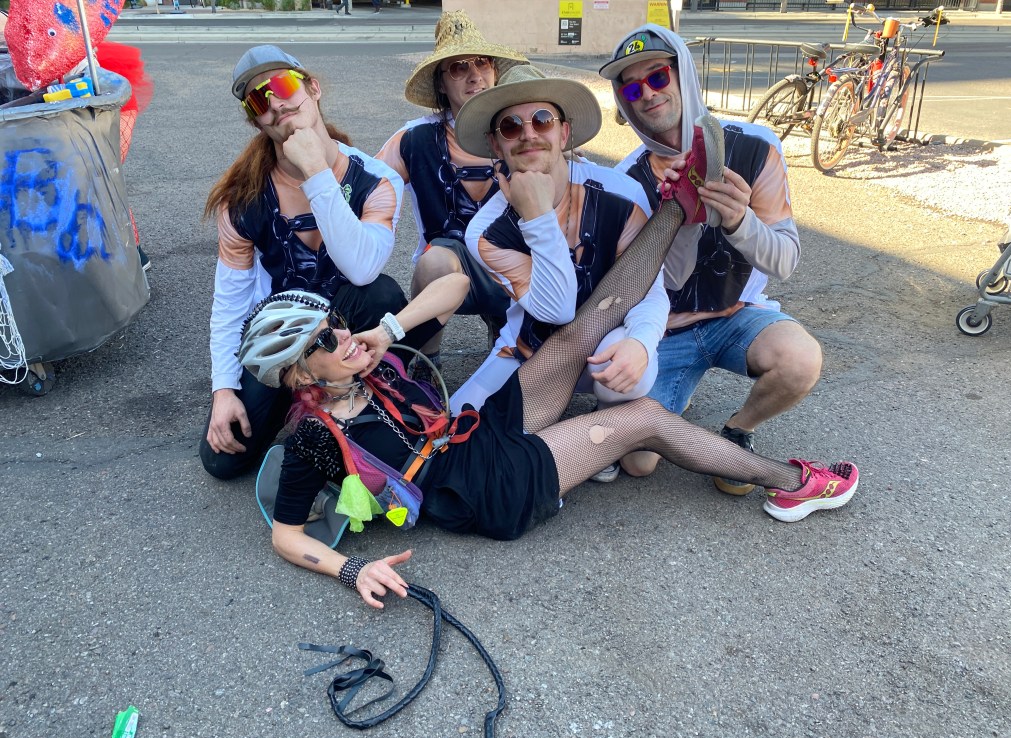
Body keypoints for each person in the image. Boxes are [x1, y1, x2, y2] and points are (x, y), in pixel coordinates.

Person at [236, 141, 860, 610]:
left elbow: (454, 286)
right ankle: (794, 482)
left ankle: (677, 205)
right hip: (487, 487)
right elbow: (286, 535)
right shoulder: (315, 437)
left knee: (582, 328)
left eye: (336, 324)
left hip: (472, 432)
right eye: (325, 342)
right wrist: (353, 571)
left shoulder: (367, 360)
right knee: (646, 419)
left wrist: (387, 330)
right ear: (298, 377)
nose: (343, 337)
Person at [599, 25, 822, 496]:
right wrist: (679, 218)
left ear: (684, 73)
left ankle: (739, 429)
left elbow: (784, 261)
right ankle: (669, 391)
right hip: (665, 331)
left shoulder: (754, 147)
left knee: (800, 360)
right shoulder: (627, 181)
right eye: (632, 89)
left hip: (736, 316)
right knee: (638, 463)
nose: (647, 94)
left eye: (658, 76)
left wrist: (741, 220)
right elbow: (657, 283)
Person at [451, 65, 669, 485]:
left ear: (564, 133)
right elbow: (557, 310)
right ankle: (586, 439)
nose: (528, 134)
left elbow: (650, 289)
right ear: (496, 144)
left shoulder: (620, 194)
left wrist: (641, 343)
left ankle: (602, 413)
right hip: (531, 351)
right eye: (511, 126)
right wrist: (536, 215)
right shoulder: (486, 229)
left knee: (634, 399)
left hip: (606, 344)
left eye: (542, 120)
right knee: (459, 432)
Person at [200, 45, 405, 481]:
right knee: (223, 459)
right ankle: (299, 399)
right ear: (256, 120)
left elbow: (362, 268)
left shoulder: (376, 181)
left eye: (282, 84)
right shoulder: (242, 200)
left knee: (381, 293)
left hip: (347, 329)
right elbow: (230, 302)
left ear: (312, 88)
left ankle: (362, 398)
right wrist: (224, 390)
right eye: (258, 101)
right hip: (282, 339)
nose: (275, 102)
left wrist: (315, 172)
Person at [375, 10, 528, 370]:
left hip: (519, 271)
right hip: (447, 273)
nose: (475, 75)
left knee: (524, 379)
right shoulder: (415, 139)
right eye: (459, 67)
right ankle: (426, 364)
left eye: (482, 62)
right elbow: (366, 186)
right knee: (435, 258)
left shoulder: (524, 129)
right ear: (441, 84)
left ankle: (507, 327)